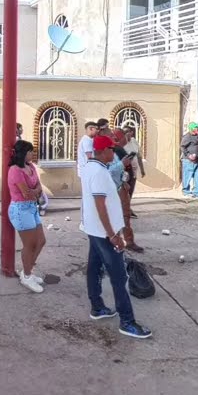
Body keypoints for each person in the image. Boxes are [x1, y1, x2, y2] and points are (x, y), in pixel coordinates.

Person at [80, 136, 152, 339]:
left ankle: (97, 307)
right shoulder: (99, 172)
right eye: (111, 149)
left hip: (94, 229)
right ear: (103, 151)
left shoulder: (90, 168)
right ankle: (127, 321)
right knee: (119, 277)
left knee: (94, 268)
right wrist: (112, 234)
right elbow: (100, 205)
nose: (113, 153)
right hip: (103, 233)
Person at [6, 140, 46, 293]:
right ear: (23, 153)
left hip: (32, 208)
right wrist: (34, 191)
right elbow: (27, 193)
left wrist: (34, 191)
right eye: (30, 151)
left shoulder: (31, 167)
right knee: (29, 245)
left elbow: (39, 188)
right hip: (20, 210)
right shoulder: (15, 170)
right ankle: (27, 276)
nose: (32, 154)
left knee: (41, 241)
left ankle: (27, 270)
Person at [122, 126, 145, 216]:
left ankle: (128, 208)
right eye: (124, 132)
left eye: (127, 132)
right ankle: (124, 209)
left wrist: (142, 169)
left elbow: (139, 156)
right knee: (124, 191)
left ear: (131, 132)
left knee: (130, 190)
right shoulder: (122, 143)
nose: (125, 134)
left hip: (133, 171)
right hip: (125, 171)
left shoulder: (134, 142)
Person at [179, 123, 198, 199]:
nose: (197, 130)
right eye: (195, 128)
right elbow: (182, 147)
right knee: (187, 176)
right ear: (191, 129)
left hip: (196, 161)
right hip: (188, 161)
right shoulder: (187, 136)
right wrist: (189, 155)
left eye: (197, 128)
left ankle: (196, 192)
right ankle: (186, 191)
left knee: (197, 176)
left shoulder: (196, 136)